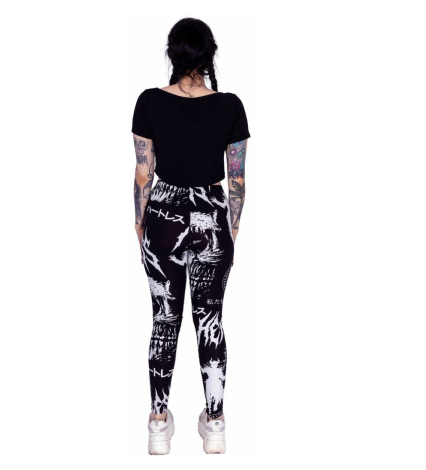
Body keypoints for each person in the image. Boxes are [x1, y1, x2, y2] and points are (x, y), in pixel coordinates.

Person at [131, 18, 250, 455]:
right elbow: (237, 179)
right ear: (209, 55)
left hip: (162, 216)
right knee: (210, 320)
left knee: (164, 320)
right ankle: (214, 423)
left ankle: (158, 422)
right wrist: (230, 229)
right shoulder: (230, 106)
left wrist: (141, 222)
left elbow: (143, 171)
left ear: (172, 54)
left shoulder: (149, 101)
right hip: (211, 216)